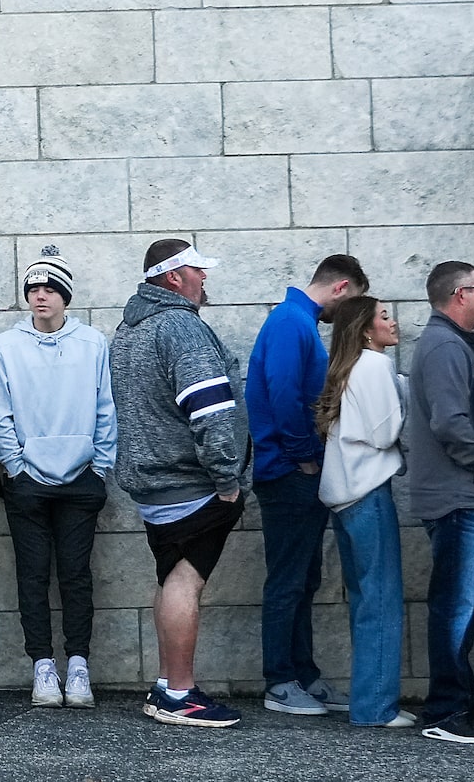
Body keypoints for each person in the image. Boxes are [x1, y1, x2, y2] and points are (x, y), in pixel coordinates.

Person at [110, 239, 249, 728]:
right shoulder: (181, 329)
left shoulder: (129, 331)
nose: (204, 279)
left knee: (172, 577)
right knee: (185, 581)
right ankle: (181, 695)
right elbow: (210, 413)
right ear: (173, 278)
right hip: (192, 484)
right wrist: (228, 479)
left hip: (155, 485)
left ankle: (169, 685)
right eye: (197, 271)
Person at [0, 250, 114, 709]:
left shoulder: (93, 343)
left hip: (81, 478)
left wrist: (100, 465)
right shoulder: (5, 346)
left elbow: (106, 407)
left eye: (50, 288)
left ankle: (78, 665)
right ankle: (42, 665)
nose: (40, 295)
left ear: (65, 295)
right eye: (33, 289)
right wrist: (16, 467)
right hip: (29, 482)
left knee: (77, 576)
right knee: (33, 576)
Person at [246, 253, 368, 716]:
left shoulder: (298, 322)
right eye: (353, 300)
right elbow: (280, 391)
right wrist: (302, 457)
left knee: (304, 578)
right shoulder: (289, 322)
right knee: (287, 580)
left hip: (297, 472)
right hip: (288, 474)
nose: (350, 313)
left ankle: (304, 675)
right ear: (341, 288)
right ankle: (280, 682)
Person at [398, 260, 474, 743]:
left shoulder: (451, 345)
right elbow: (449, 422)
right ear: (460, 294)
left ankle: (460, 700)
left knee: (461, 603)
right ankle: (444, 712)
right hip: (458, 495)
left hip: (462, 493)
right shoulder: (445, 346)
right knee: (455, 605)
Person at [315, 295, 416, 728]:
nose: (393, 323)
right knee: (381, 600)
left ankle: (369, 703)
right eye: (384, 317)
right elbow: (386, 432)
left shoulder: (349, 365)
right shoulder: (375, 366)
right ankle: (375, 708)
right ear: (364, 328)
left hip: (345, 496)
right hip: (369, 493)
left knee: (365, 599)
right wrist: (406, 390)